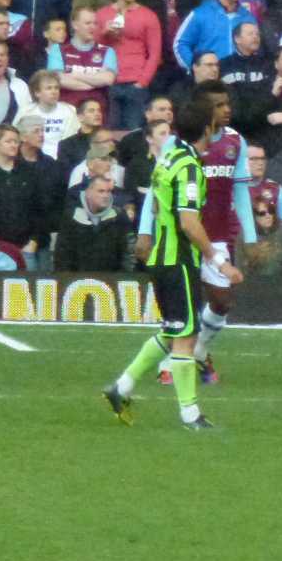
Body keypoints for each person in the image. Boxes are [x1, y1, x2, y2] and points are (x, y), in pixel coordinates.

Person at [102, 94, 242, 431]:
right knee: (186, 336)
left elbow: (154, 203)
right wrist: (218, 260)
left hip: (162, 258)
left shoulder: (169, 156)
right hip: (177, 259)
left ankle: (121, 388)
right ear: (207, 128)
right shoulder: (189, 166)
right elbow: (189, 222)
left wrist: (148, 236)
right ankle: (190, 414)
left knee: (172, 330)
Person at [143, 82, 255, 384]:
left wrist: (251, 235)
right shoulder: (177, 146)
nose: (227, 109)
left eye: (227, 103)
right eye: (219, 105)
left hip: (217, 234)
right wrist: (145, 231)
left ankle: (199, 352)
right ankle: (173, 362)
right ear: (205, 111)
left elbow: (241, 190)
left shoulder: (235, 142)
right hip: (185, 237)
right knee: (185, 307)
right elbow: (156, 190)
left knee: (222, 301)